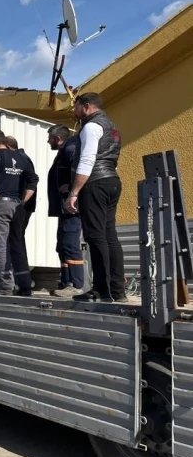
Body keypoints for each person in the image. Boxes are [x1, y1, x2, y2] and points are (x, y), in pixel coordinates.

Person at [64, 92, 126, 303]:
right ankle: (118, 291)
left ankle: (101, 290)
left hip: (95, 182)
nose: (74, 111)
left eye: (76, 106)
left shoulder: (90, 127)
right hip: (111, 180)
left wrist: (74, 192)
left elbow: (87, 159)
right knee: (109, 235)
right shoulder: (112, 126)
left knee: (95, 235)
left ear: (87, 106)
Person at [0, 129, 39, 296]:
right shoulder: (22, 157)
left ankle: (6, 285)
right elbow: (33, 180)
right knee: (17, 244)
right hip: (17, 205)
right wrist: (24, 200)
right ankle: (24, 284)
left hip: (1, 204)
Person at [47, 125, 85, 297]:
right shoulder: (64, 152)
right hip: (64, 209)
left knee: (70, 244)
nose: (48, 141)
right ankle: (65, 282)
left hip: (71, 208)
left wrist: (70, 189)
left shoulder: (70, 149)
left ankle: (76, 285)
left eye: (50, 138)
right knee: (62, 245)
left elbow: (80, 171)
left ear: (58, 138)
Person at [4, 135, 37, 247]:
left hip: (21, 205)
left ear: (7, 146)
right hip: (21, 204)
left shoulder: (21, 158)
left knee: (16, 237)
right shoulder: (21, 157)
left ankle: (18, 264)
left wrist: (23, 201)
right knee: (15, 237)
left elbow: (32, 181)